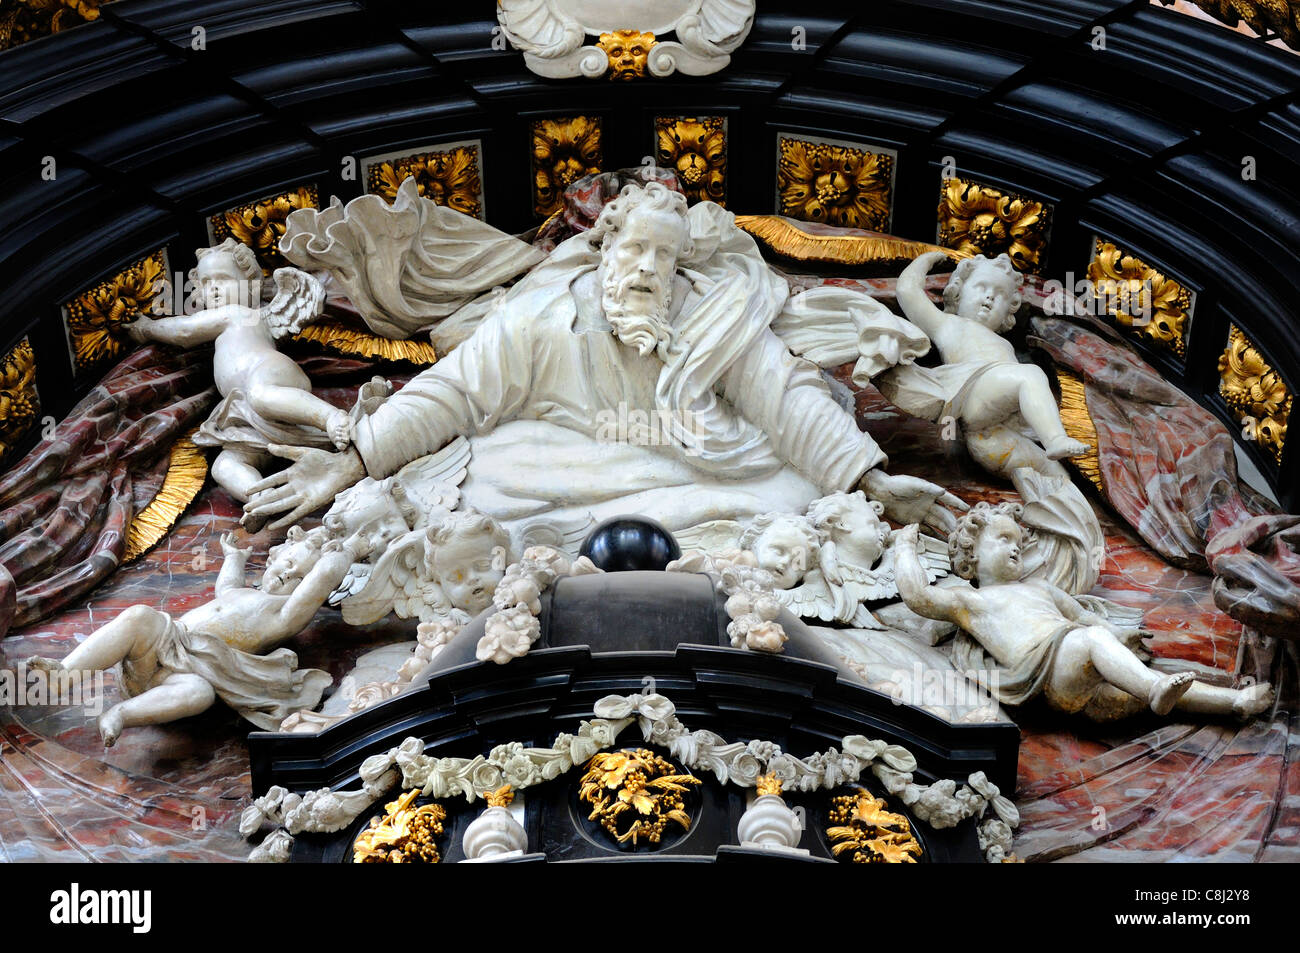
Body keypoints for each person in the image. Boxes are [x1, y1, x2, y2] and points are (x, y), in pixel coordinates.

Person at [242, 182, 967, 543]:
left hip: (698, 459)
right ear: (605, 250)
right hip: (561, 458)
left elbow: (783, 396)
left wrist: (875, 482)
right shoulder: (544, 315)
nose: (649, 267)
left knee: (794, 491)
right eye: (636, 250)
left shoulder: (710, 315)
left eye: (665, 255)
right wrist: (352, 462)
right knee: (482, 478)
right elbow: (452, 392)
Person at [892, 511, 1274, 722]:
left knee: (1142, 675)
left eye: (1018, 543)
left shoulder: (1040, 589)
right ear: (970, 554)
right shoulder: (967, 599)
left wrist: (1118, 635)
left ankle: (1232, 703)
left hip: (1080, 677)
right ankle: (1154, 689)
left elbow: (1085, 617)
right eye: (1002, 540)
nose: (1014, 549)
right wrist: (905, 546)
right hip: (1045, 669)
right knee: (1098, 648)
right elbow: (918, 596)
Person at [25, 529, 369, 745]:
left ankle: (121, 714)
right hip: (163, 644)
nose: (288, 573)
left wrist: (347, 552)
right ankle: (65, 674)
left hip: (185, 674)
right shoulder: (243, 593)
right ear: (275, 558)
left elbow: (318, 583)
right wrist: (234, 557)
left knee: (200, 694)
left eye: (298, 576)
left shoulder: (283, 615)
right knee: (141, 616)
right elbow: (226, 587)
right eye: (288, 563)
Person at [125, 238, 349, 500]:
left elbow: (184, 331)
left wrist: (145, 329)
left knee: (262, 394)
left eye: (223, 279)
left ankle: (331, 417)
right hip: (244, 411)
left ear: (251, 286)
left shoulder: (237, 313)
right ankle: (265, 499)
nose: (214, 288)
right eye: (206, 283)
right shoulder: (228, 317)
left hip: (269, 373)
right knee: (224, 466)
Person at [882, 251, 1088, 479]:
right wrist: (926, 259)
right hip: (973, 396)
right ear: (958, 294)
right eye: (982, 287)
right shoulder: (948, 324)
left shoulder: (1004, 345)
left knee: (1057, 476)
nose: (990, 297)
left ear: (1009, 311)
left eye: (1000, 294)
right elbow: (907, 291)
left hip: (994, 428)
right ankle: (1055, 439)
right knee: (1030, 375)